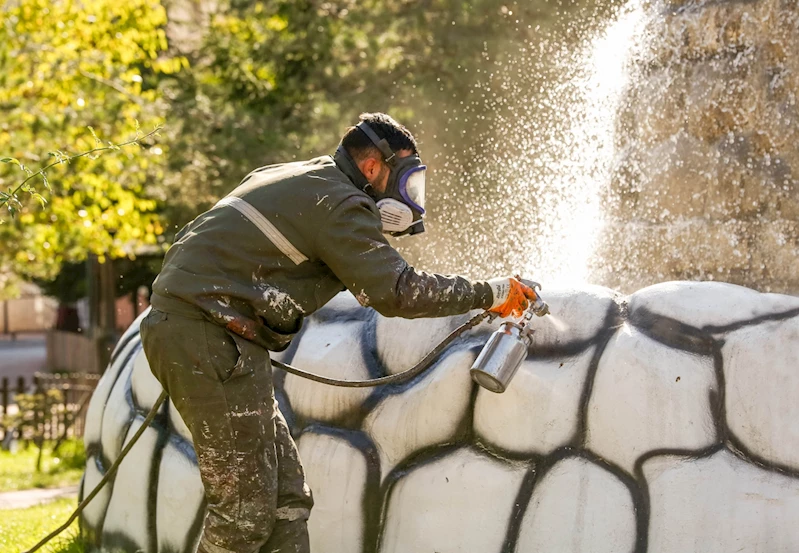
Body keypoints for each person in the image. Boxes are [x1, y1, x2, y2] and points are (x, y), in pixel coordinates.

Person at [140, 112, 538, 553]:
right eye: (405, 180)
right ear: (372, 167)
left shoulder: (299, 176)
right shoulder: (340, 202)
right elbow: (396, 292)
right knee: (243, 514)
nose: (408, 197)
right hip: (205, 338)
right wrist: (492, 292)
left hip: (209, 335)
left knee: (286, 501)